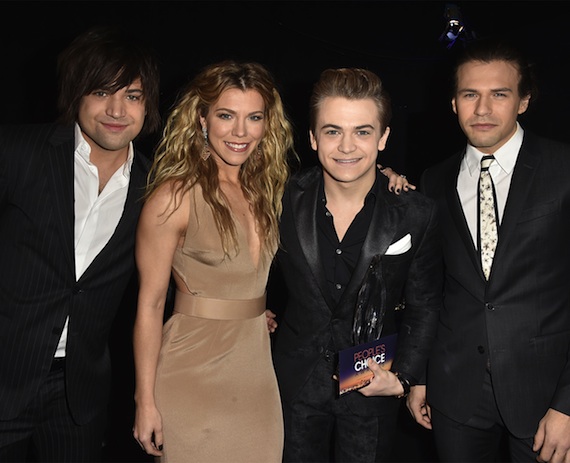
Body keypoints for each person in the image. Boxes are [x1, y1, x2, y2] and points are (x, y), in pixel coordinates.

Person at [0, 25, 161, 462]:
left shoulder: (155, 188)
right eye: (101, 91)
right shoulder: (18, 151)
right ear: (76, 94)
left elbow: (181, 266)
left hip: (79, 396)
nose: (116, 110)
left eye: (132, 95)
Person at [409, 37, 570, 462]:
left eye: (499, 94)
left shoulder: (563, 169)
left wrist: (568, 405)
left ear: (524, 101)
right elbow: (430, 289)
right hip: (454, 392)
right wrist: (420, 376)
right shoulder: (433, 181)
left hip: (547, 395)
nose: (482, 109)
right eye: (469, 95)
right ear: (453, 103)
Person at [270, 67, 443, 463]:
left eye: (363, 132)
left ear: (383, 137)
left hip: (371, 384)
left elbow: (425, 304)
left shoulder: (416, 212)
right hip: (292, 381)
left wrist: (403, 379)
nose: (347, 146)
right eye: (332, 131)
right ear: (313, 138)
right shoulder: (280, 198)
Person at [131, 60, 298, 462]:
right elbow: (150, 306)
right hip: (192, 376)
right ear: (202, 119)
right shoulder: (174, 197)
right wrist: (145, 400)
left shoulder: (266, 192)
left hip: (256, 378)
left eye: (254, 117)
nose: (241, 132)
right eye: (226, 115)